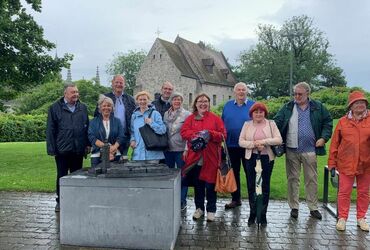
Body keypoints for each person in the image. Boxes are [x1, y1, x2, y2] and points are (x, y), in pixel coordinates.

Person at [274, 82, 333, 220]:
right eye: (295, 93)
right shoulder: (288, 107)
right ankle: (294, 207)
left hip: (310, 149)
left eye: (300, 94)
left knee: (311, 179)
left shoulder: (318, 107)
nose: (297, 96)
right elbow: (277, 122)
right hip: (291, 149)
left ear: (308, 93)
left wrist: (324, 138)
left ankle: (313, 207)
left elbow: (328, 122)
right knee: (292, 179)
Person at [328, 90, 370, 231]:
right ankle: (342, 218)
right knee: (344, 192)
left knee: (364, 192)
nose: (360, 105)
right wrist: (332, 163)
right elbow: (334, 144)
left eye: (362, 103)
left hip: (366, 164)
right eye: (356, 103)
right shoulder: (342, 122)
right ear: (351, 106)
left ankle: (361, 218)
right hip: (346, 163)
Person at [180, 93, 226, 222]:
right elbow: (184, 132)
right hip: (195, 158)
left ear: (209, 103)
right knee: (198, 185)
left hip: (211, 158)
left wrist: (210, 134)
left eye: (205, 101)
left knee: (211, 185)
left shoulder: (215, 118)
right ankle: (199, 208)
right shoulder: (191, 118)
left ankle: (211, 209)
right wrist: (198, 135)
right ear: (195, 104)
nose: (203, 103)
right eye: (200, 101)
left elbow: (223, 135)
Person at [46, 83, 90, 212]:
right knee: (62, 176)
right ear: (65, 94)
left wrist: (87, 144)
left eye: (77, 92)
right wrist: (52, 149)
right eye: (73, 92)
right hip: (62, 150)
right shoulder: (54, 108)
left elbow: (86, 126)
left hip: (78, 149)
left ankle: (76, 200)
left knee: (77, 176)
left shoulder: (83, 107)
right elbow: (50, 130)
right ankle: (60, 201)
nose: (76, 94)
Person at [238, 102, 282, 226]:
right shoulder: (247, 124)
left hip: (266, 159)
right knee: (252, 185)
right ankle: (253, 213)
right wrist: (254, 144)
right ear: (252, 113)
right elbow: (241, 141)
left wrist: (263, 142)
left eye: (261, 112)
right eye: (256, 112)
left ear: (265, 113)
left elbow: (279, 139)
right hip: (250, 158)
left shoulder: (271, 124)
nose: (258, 114)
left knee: (265, 186)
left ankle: (262, 215)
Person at [222, 82, 255, 209]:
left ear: (247, 92)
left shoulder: (253, 105)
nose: (241, 92)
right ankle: (236, 199)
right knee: (234, 173)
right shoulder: (228, 105)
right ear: (234, 92)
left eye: (243, 90)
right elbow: (223, 122)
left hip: (248, 146)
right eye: (239, 90)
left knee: (250, 172)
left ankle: (253, 199)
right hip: (231, 145)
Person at [94, 74, 136, 156]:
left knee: (122, 162)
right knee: (107, 162)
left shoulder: (130, 99)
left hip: (124, 137)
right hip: (107, 137)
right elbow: (97, 115)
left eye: (121, 83)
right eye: (117, 82)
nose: (119, 84)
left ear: (124, 85)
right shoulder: (105, 97)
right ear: (112, 83)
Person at [163, 92, 191, 210]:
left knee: (183, 175)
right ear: (171, 101)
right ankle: (170, 198)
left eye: (179, 99)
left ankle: (182, 200)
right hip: (168, 148)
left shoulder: (187, 114)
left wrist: (186, 148)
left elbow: (189, 133)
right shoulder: (166, 114)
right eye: (175, 99)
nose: (177, 101)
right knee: (169, 175)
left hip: (180, 149)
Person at [88, 95, 125, 167]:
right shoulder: (93, 122)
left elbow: (121, 136)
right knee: (98, 177)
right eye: (104, 106)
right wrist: (107, 149)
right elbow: (91, 137)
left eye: (109, 106)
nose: (106, 108)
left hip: (115, 154)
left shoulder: (117, 121)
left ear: (112, 108)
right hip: (97, 155)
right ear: (100, 107)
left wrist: (113, 148)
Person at [130, 91, 166, 162]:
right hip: (138, 154)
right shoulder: (134, 116)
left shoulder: (155, 114)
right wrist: (132, 140)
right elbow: (132, 131)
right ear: (137, 101)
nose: (142, 101)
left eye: (144, 99)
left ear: (148, 100)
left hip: (153, 154)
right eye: (140, 99)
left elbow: (163, 130)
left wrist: (152, 123)